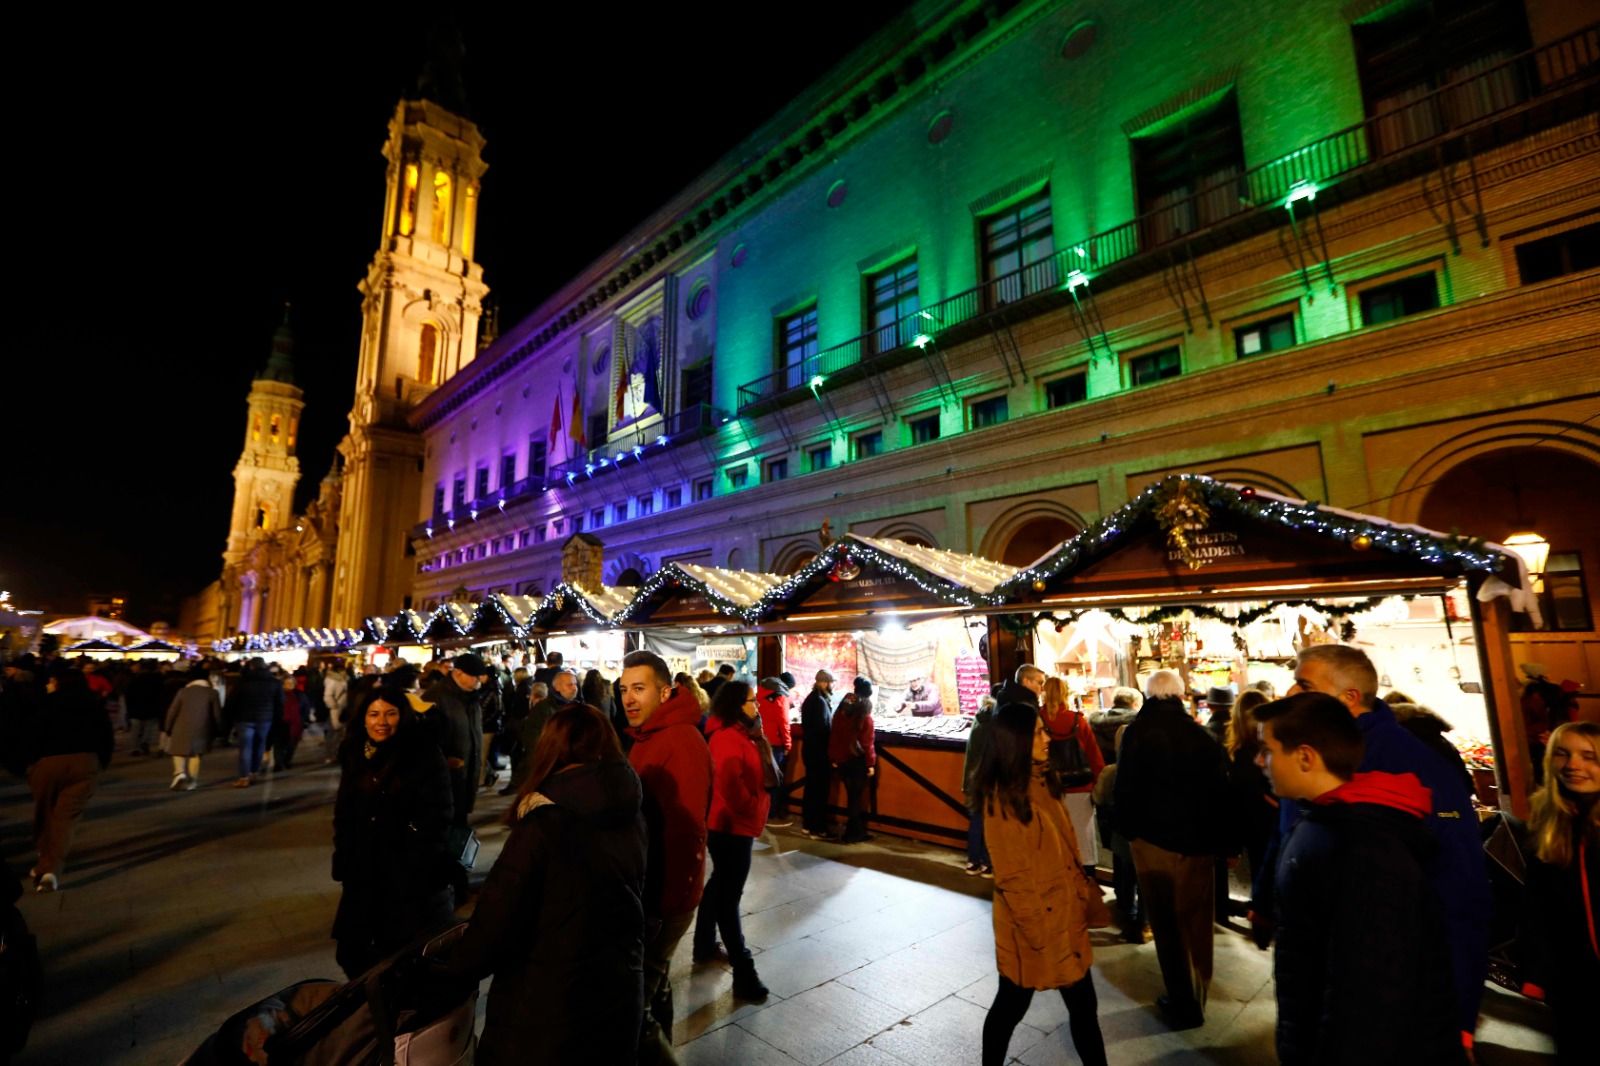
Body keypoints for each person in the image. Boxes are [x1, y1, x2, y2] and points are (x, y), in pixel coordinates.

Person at [1265, 644, 1490, 1046]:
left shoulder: (1414, 764)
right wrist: (1269, 898)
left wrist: (1460, 1014)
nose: (1290, 695)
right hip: (1320, 971)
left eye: (1304, 684)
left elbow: (1459, 889)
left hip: (1384, 997)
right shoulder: (1309, 752)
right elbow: (1290, 833)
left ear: (1349, 697)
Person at [439, 703, 647, 1066]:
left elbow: (494, 926)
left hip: (549, 1011)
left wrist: (446, 976)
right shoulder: (631, 808)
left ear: (551, 748)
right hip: (619, 994)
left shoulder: (542, 825)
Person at [971, 702, 1108, 1066]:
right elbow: (1013, 878)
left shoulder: (1045, 779)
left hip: (1064, 915)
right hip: (1034, 927)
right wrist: (1040, 935)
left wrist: (1080, 896)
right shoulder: (1003, 799)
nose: (1047, 737)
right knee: (1011, 1005)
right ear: (1014, 743)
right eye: (1037, 733)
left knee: (1083, 1008)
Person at [1112, 668, 1231, 1029]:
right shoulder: (1202, 736)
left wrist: (1128, 832)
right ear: (1180, 694)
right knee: (1195, 919)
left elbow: (1126, 787)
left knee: (1165, 923)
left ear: (1148, 694)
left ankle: (1182, 1001)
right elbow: (1219, 794)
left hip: (1152, 843)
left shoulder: (1136, 734)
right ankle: (1199, 992)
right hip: (1197, 845)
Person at [619, 650, 712, 1065]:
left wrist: (664, 905)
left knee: (632, 1010)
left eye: (639, 689)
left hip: (663, 896)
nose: (629, 699)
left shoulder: (680, 740)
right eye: (623, 690)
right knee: (653, 992)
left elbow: (688, 831)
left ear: (665, 690)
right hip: (650, 892)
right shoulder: (649, 735)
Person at [330, 685, 455, 979]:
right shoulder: (354, 752)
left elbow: (440, 811)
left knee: (399, 950)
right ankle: (369, 1007)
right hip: (361, 867)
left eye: (390, 713)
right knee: (351, 950)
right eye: (374, 714)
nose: (381, 721)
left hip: (407, 869)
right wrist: (343, 851)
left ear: (404, 715)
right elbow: (344, 809)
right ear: (363, 718)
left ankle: (395, 1011)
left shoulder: (422, 752)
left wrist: (417, 853)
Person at [1518, 720, 1599, 1065]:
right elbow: (1538, 910)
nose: (1573, 765)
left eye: (1590, 757)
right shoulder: (1547, 824)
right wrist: (1537, 977)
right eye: (1562, 754)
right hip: (1576, 992)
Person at [691, 681, 771, 1000]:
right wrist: (752, 808)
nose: (757, 706)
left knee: (720, 884)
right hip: (730, 828)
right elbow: (729, 785)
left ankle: (703, 944)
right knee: (729, 897)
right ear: (738, 705)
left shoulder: (740, 735)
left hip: (734, 825)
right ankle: (744, 970)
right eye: (752, 701)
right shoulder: (727, 738)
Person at [23, 665, 112, 892]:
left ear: (59, 682)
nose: (49, 683)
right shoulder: (93, 703)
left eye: (52, 680)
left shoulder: (46, 702)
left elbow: (31, 733)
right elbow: (106, 736)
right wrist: (100, 763)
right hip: (85, 763)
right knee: (66, 819)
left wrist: (30, 763)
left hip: (48, 763)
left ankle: (44, 860)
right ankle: (51, 870)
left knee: (45, 814)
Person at [422, 653, 489, 859]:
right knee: (445, 829)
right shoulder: (435, 697)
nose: (480, 681)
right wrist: (444, 761)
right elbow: (424, 741)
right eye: (475, 676)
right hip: (446, 779)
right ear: (458, 673)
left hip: (466, 774)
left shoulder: (471, 697)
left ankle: (457, 872)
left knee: (459, 826)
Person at [1040, 676, 1104, 867]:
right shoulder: (1078, 721)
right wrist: (1098, 784)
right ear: (1064, 694)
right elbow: (1094, 756)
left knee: (1054, 836)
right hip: (1080, 787)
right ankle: (1085, 881)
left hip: (1049, 786)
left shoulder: (1038, 721)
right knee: (1083, 838)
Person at [1224, 688, 1277, 903]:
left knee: (1262, 878)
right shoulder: (1275, 747)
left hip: (1255, 827)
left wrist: (1232, 845)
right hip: (1275, 821)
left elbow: (1234, 800)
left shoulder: (1238, 754)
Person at [828, 676, 877, 843]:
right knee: (855, 798)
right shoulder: (864, 714)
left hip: (842, 759)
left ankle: (855, 831)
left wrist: (834, 756)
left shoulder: (842, 709)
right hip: (857, 761)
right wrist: (870, 763)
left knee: (852, 796)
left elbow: (835, 733)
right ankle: (852, 833)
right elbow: (867, 742)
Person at [163, 666, 222, 791]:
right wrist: (219, 729)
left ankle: (180, 773)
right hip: (202, 727)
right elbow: (217, 714)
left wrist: (167, 727)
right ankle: (192, 781)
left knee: (178, 751)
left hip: (181, 725)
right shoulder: (212, 693)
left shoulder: (183, 691)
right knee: (196, 754)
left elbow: (172, 710)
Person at [228, 657, 282, 787]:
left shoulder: (242, 682)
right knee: (260, 745)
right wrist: (277, 718)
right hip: (265, 718)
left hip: (244, 718)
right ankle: (254, 771)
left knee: (245, 747)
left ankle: (244, 776)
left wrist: (230, 718)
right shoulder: (274, 682)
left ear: (251, 666)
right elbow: (279, 703)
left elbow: (232, 701)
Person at [799, 670, 835, 839]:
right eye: (830, 682)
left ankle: (808, 824)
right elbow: (823, 729)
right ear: (823, 682)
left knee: (811, 789)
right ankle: (817, 828)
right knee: (819, 791)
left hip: (810, 751)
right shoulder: (819, 702)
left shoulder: (812, 699)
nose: (832, 685)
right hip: (818, 753)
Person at [962, 694, 995, 876]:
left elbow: (970, 756)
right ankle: (987, 863)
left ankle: (972, 861)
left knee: (976, 820)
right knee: (989, 821)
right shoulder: (995, 725)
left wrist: (965, 782)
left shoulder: (976, 724)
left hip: (974, 779)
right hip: (989, 778)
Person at [756, 677, 793, 828]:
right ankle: (772, 815)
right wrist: (788, 745)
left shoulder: (758, 695)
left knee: (762, 779)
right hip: (775, 744)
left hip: (759, 741)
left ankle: (761, 812)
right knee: (775, 780)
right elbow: (783, 723)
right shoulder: (780, 698)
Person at [1087, 686, 1140, 765]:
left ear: (1114, 701)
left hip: (1103, 767)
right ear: (1135, 704)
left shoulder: (1095, 719)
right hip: (1131, 767)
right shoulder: (1138, 720)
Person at [124, 660, 165, 756]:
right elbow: (160, 694)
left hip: (135, 708)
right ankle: (145, 742)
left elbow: (128, 695)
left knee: (135, 729)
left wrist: (129, 708)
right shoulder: (158, 679)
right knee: (148, 728)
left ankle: (135, 748)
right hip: (151, 707)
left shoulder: (134, 679)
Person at [322, 663, 349, 765]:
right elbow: (327, 696)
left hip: (342, 709)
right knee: (333, 733)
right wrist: (334, 706)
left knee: (339, 734)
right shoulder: (333, 681)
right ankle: (330, 755)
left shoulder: (343, 680)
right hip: (336, 710)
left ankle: (336, 754)